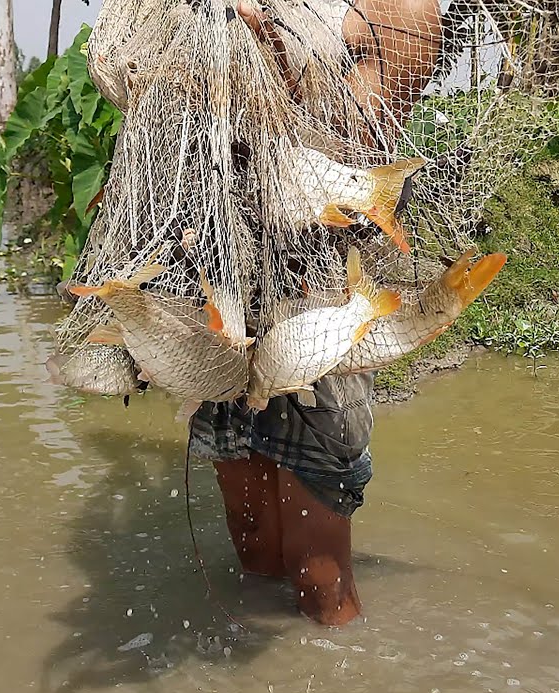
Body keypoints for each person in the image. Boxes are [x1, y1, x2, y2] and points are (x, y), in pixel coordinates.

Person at [188, 0, 443, 627]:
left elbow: (362, 129)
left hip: (316, 295)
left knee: (316, 572)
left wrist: (273, 44)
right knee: (252, 546)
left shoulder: (382, 13)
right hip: (227, 284)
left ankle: (342, 682)